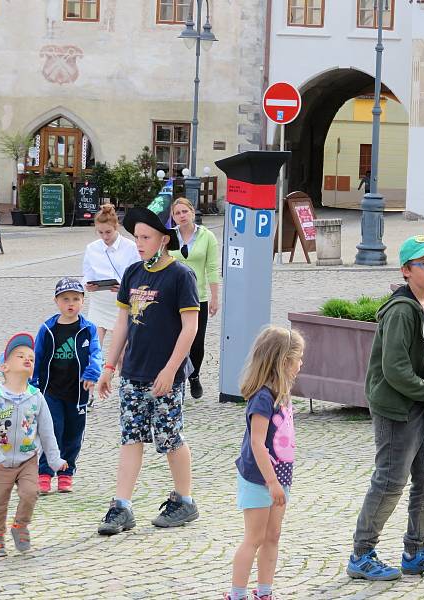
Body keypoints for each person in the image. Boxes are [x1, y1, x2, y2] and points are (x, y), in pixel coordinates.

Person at [346, 235, 424, 582]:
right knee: (390, 481)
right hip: (396, 407)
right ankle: (361, 554)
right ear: (406, 271)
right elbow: (395, 370)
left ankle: (415, 551)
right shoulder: (400, 311)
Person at [95, 206, 200, 535]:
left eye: (146, 237)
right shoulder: (133, 273)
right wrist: (109, 366)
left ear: (163, 239)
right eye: (136, 237)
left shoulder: (180, 276)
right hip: (133, 373)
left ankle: (184, 500)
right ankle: (121, 506)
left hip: (165, 375)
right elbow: (122, 322)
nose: (139, 243)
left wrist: (172, 369)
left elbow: (190, 327)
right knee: (131, 437)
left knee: (170, 438)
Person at [224, 326, 304, 600]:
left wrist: (280, 481)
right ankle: (237, 594)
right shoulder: (263, 398)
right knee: (254, 538)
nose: (300, 364)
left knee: (273, 536)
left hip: (279, 477)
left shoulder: (283, 392)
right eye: (297, 359)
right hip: (260, 479)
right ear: (283, 362)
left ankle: (265, 592)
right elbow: (258, 444)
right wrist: (272, 483)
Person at [0, 333, 68, 557]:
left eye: (31, 357)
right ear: (4, 366)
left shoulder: (36, 397)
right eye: (20, 356)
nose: (27, 359)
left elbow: (47, 431)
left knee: (31, 492)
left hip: (28, 458)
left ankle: (20, 525)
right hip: (1, 459)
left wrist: (55, 460)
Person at [31, 278, 102, 494]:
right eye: (65, 299)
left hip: (77, 392)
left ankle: (66, 474)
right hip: (51, 391)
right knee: (51, 431)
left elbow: (96, 354)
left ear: (82, 301)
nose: (70, 304)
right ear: (56, 302)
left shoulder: (88, 329)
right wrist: (32, 383)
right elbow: (37, 355)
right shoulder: (48, 328)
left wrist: (92, 374)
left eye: (75, 299)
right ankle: (44, 474)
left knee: (73, 434)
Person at [169, 197, 221, 400]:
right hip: (173, 297)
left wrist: (214, 297)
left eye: (185, 212)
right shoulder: (168, 237)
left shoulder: (207, 236)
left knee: (197, 343)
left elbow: (212, 268)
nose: (181, 216)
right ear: (173, 217)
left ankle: (195, 375)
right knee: (174, 340)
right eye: (177, 213)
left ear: (192, 212)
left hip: (197, 297)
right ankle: (176, 379)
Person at [81, 203, 141, 350]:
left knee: (122, 352)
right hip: (99, 301)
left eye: (108, 232)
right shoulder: (92, 248)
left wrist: (125, 287)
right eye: (100, 233)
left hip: (122, 302)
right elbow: (87, 274)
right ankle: (97, 373)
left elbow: (139, 275)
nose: (104, 237)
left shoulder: (131, 247)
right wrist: (87, 285)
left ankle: (122, 373)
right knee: (93, 349)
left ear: (116, 227)